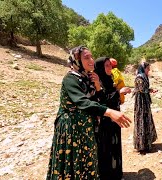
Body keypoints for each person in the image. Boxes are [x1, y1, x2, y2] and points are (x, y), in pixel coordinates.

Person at [46, 46, 131, 179]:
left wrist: (97, 85)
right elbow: (83, 102)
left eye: (92, 57)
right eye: (86, 57)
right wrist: (109, 112)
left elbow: (101, 101)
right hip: (71, 129)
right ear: (77, 60)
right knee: (72, 165)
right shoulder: (70, 79)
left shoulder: (88, 78)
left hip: (86, 128)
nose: (91, 60)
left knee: (86, 164)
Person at [94, 57, 131, 180]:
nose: (110, 68)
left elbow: (112, 97)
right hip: (105, 122)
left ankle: (116, 173)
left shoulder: (109, 80)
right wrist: (119, 91)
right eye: (106, 65)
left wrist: (120, 92)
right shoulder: (97, 82)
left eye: (110, 65)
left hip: (115, 120)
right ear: (100, 67)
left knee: (115, 145)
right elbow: (102, 100)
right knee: (106, 148)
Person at [133, 62, 158, 155]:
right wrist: (150, 90)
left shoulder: (144, 76)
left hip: (145, 102)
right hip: (141, 102)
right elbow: (141, 89)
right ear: (143, 68)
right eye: (147, 68)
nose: (149, 70)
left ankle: (147, 143)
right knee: (141, 121)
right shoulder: (140, 77)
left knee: (146, 120)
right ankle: (141, 145)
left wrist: (150, 90)